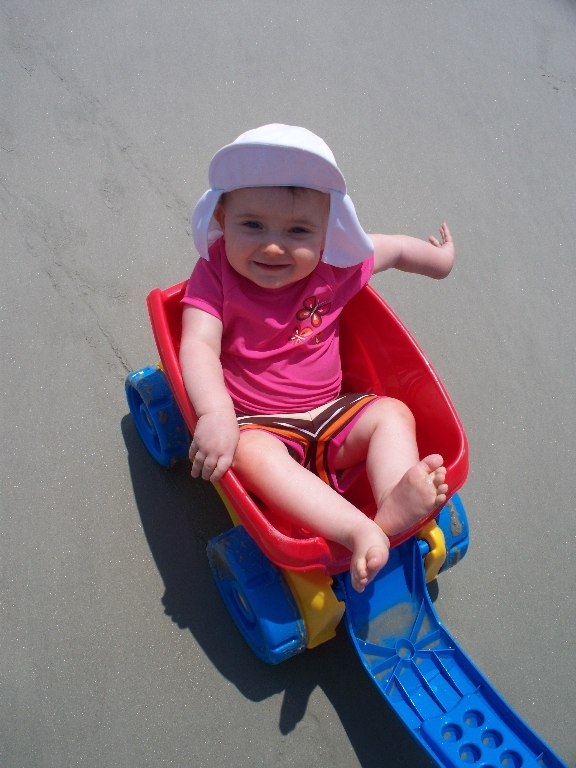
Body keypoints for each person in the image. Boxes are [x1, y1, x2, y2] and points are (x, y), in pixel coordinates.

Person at [179, 124, 455, 592]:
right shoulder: (215, 274)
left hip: (332, 414)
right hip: (263, 424)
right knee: (247, 452)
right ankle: (357, 528)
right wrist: (215, 412)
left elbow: (392, 249)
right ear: (222, 218)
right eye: (252, 225)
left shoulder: (333, 269)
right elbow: (199, 344)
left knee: (392, 412)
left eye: (298, 231)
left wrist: (439, 262)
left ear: (327, 233)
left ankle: (393, 497)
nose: (273, 245)